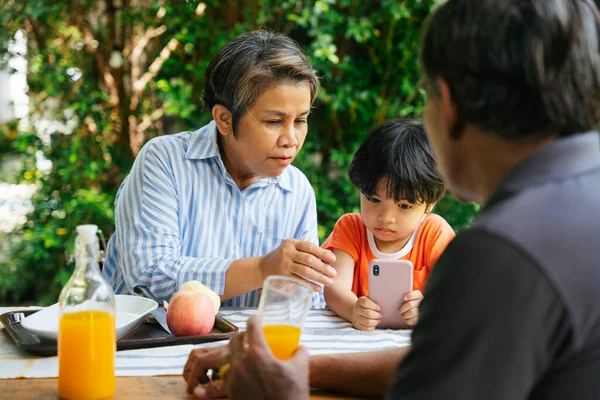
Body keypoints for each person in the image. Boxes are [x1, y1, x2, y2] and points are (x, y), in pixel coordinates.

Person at [183, 0, 600, 398]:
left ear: (449, 105)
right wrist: (298, 366)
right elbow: (444, 365)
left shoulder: (502, 253)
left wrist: (279, 392)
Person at [102, 30, 337, 308]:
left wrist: (295, 287)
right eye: (274, 122)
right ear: (224, 119)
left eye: (300, 121)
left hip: (242, 348)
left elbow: (306, 301)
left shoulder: (296, 190)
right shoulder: (165, 161)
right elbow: (150, 280)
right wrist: (263, 269)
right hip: (146, 345)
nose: (291, 140)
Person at [322, 119, 454, 330]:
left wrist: (429, 307)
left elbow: (454, 292)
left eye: (404, 205)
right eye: (374, 200)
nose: (386, 218)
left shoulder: (434, 233)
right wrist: (352, 309)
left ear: (430, 202)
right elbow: (334, 288)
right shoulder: (351, 229)